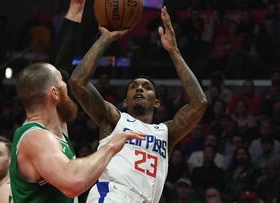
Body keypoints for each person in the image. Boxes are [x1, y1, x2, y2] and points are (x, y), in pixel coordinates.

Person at [70, 6, 208, 203]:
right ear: (125, 100)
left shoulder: (166, 133)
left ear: (157, 102)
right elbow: (78, 83)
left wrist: (174, 52)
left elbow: (199, 103)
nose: (140, 89)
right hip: (113, 195)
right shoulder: (114, 119)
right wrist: (105, 39)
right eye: (134, 86)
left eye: (146, 87)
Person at [10, 63, 144, 203]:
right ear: (55, 93)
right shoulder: (35, 137)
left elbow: (70, 101)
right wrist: (111, 146)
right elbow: (73, 182)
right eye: (62, 81)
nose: (66, 86)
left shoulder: (56, 132)